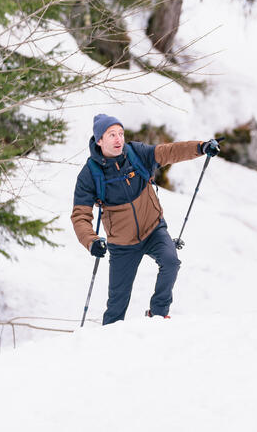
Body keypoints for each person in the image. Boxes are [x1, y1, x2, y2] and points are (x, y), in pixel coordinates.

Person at [71, 114, 220, 324]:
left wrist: (201, 147)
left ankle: (157, 315)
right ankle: (106, 344)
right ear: (99, 140)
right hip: (122, 244)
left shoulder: (135, 153)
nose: (118, 139)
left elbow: (168, 151)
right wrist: (91, 241)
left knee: (171, 262)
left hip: (153, 229)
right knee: (116, 305)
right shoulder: (89, 174)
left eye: (121, 134)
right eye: (111, 135)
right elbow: (80, 215)